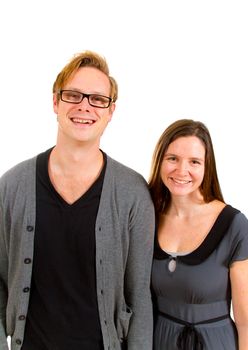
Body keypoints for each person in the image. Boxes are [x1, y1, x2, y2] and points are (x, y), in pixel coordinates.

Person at [0, 50, 155, 350]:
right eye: (73, 95)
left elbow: (139, 296)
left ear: (111, 112)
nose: (85, 106)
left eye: (98, 99)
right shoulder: (12, 186)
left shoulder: (132, 193)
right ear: (55, 102)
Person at [148, 119, 248, 349]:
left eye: (194, 161)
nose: (181, 171)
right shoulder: (147, 217)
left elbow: (246, 322)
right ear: (160, 160)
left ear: (206, 167)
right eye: (172, 158)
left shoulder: (233, 225)